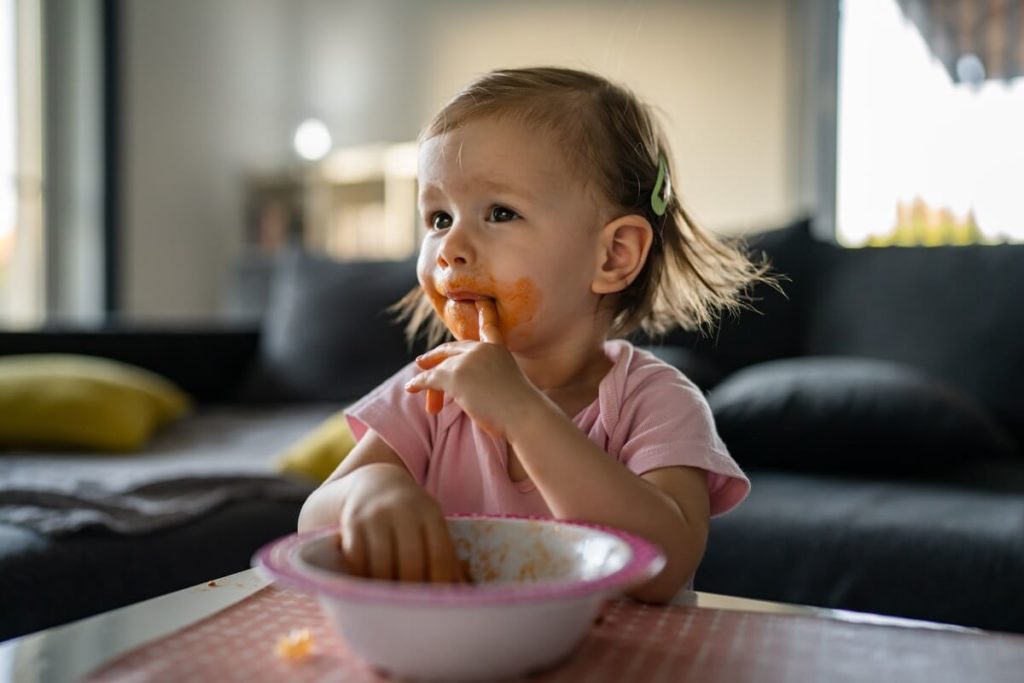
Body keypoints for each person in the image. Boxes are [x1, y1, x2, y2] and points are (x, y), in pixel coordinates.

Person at [298, 66, 768, 603]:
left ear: (613, 255)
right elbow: (313, 515)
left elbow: (663, 563)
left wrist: (522, 412)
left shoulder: (655, 401)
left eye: (499, 212)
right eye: (438, 218)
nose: (450, 246)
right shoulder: (433, 388)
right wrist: (369, 492)